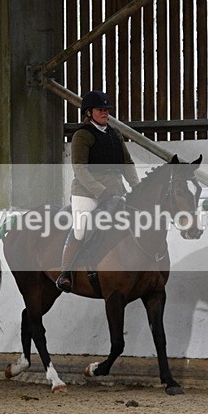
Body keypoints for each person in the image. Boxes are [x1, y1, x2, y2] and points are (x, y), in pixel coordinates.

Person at [56, 90, 140, 292]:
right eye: (100, 109)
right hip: (86, 193)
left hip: (115, 191)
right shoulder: (82, 135)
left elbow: (127, 162)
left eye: (106, 109)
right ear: (89, 112)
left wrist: (137, 187)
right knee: (81, 228)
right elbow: (80, 168)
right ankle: (66, 272)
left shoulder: (115, 133)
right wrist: (99, 191)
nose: (105, 113)